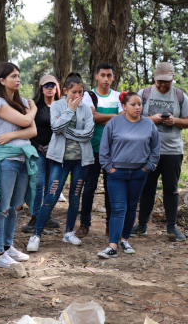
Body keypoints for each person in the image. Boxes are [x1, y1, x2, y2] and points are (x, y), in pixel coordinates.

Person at [27, 73, 95, 252]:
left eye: (81, 92)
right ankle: (36, 234)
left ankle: (68, 233)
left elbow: (88, 134)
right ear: (65, 91)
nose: (77, 96)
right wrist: (70, 110)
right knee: (51, 196)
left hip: (80, 160)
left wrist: (68, 132)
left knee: (74, 198)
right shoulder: (57, 106)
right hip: (60, 160)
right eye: (74, 92)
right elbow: (56, 128)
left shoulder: (87, 108)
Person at [0, 62, 37, 269]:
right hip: (6, 161)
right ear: (1, 80)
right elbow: (25, 121)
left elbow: (32, 132)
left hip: (22, 159)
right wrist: (34, 110)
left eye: (19, 75)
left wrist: (12, 134)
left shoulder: (21, 101)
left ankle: (8, 245)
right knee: (1, 207)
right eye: (13, 76)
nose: (18, 79)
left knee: (16, 207)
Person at [131, 62, 188, 241]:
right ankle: (142, 225)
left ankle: (172, 227)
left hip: (172, 150)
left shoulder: (180, 95)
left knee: (171, 190)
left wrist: (175, 121)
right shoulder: (144, 94)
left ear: (173, 78)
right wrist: (152, 119)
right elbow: (132, 117)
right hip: (148, 150)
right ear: (154, 78)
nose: (163, 85)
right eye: (160, 81)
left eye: (167, 81)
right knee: (147, 189)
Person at [97, 92, 160, 258]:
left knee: (132, 207)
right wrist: (109, 168)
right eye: (133, 104)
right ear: (124, 106)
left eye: (139, 104)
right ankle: (112, 246)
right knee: (118, 209)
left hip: (139, 173)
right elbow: (104, 149)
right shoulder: (114, 123)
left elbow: (155, 149)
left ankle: (125, 240)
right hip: (117, 173)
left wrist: (146, 168)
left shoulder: (148, 124)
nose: (137, 107)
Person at [77, 63, 123, 237]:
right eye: (102, 75)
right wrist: (114, 117)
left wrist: (100, 118)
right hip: (93, 148)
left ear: (113, 77)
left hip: (114, 150)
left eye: (109, 75)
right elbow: (92, 117)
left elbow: (123, 120)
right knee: (89, 187)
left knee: (112, 188)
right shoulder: (89, 96)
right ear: (96, 76)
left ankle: (111, 225)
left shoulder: (119, 96)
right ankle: (84, 224)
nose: (106, 79)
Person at [22, 74, 62, 233]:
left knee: (51, 185)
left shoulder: (61, 106)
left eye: (53, 85)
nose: (50, 88)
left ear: (57, 88)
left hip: (56, 151)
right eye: (46, 85)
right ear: (41, 88)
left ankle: (47, 215)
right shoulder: (35, 106)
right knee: (38, 184)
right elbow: (28, 129)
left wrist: (53, 147)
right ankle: (35, 217)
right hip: (39, 150)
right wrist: (39, 146)